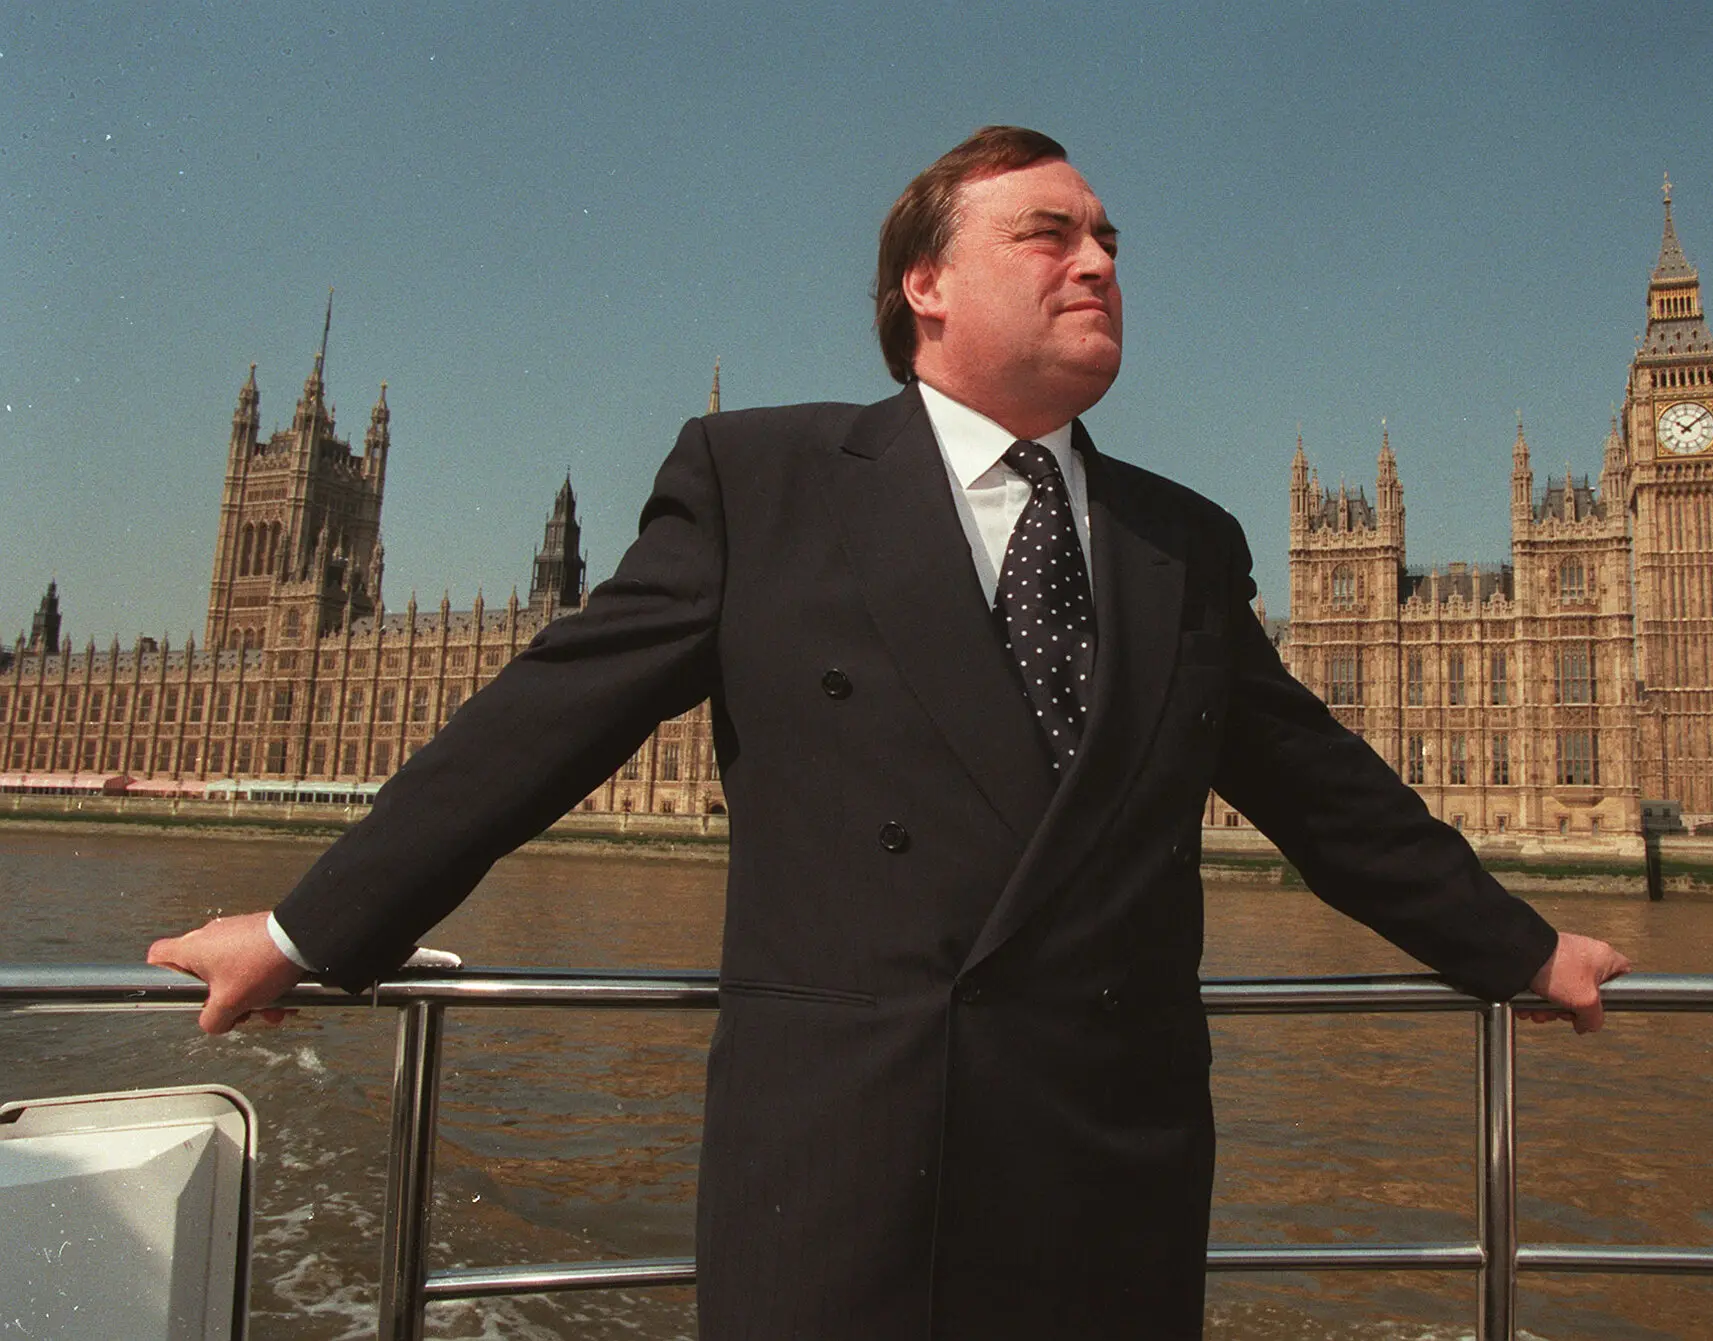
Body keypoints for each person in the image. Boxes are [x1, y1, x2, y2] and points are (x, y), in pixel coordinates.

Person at [151, 126, 1630, 1341]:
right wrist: (307, 930)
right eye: (1050, 235)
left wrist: (1522, 952)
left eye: (1111, 239)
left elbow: (1326, 792)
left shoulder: (1185, 540)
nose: (1101, 261)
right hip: (847, 1175)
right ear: (927, 284)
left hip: (1108, 1180)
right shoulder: (765, 478)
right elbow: (545, 719)